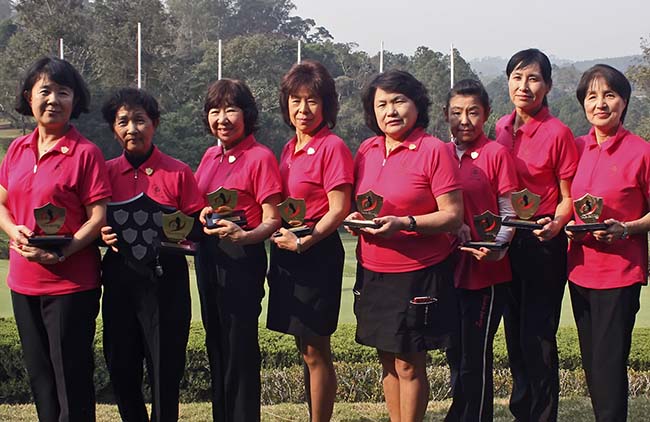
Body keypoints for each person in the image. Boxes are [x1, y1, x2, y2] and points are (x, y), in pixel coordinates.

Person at [346, 69, 463, 422]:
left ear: (417, 105)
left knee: (409, 363)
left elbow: (453, 217)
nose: (390, 111)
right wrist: (356, 220)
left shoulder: (434, 150)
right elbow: (361, 203)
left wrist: (405, 224)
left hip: (419, 273)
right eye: (381, 104)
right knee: (386, 358)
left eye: (399, 101)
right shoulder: (366, 150)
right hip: (374, 271)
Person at [0, 57, 111, 422]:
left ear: (75, 100)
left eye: (63, 92)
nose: (53, 99)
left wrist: (65, 250)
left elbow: (97, 218)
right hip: (23, 282)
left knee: (72, 382)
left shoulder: (86, 153)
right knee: (41, 379)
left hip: (70, 286)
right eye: (45, 90)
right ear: (29, 96)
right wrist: (13, 230)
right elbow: (2, 203)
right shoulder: (16, 149)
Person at [100, 88, 205, 422]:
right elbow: (91, 222)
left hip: (167, 280)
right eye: (124, 121)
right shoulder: (104, 173)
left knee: (165, 368)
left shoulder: (178, 172)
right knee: (121, 366)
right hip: (119, 278)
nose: (133, 128)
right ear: (114, 129)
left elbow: (197, 227)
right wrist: (100, 234)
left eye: (140, 120)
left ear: (154, 124)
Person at [267, 60, 353, 421]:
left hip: (315, 251)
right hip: (287, 249)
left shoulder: (332, 146)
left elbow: (339, 209)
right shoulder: (288, 149)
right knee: (304, 347)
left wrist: (307, 242)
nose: (303, 109)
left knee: (317, 348)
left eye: (312, 101)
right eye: (296, 100)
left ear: (327, 105)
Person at [495, 48, 578, 422]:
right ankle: (521, 410)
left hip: (544, 239)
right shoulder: (499, 128)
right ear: (508, 80)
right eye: (517, 77)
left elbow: (568, 197)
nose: (524, 86)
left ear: (547, 85)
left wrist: (558, 224)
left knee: (539, 334)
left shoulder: (557, 133)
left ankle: (542, 415)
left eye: (533, 78)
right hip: (507, 239)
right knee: (513, 331)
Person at [194, 78, 282, 422]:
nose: (223, 118)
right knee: (215, 342)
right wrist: (202, 211)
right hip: (208, 256)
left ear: (247, 114)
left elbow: (273, 219)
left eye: (231, 109)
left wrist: (244, 235)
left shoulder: (260, 157)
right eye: (215, 110)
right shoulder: (209, 155)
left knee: (240, 346)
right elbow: (202, 204)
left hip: (242, 258)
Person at [565, 64, 650, 422]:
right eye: (592, 96)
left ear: (624, 101)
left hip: (620, 273)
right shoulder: (577, 147)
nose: (600, 104)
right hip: (579, 270)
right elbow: (564, 200)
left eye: (609, 95)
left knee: (608, 365)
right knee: (592, 365)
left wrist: (627, 228)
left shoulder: (641, 151)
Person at [444, 79, 518, 422]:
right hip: (446, 268)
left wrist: (497, 247)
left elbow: (510, 211)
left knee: (476, 355)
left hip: (485, 271)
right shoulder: (440, 154)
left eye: (473, 112)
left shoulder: (496, 154)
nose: (465, 119)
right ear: (446, 115)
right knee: (454, 351)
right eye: (457, 112)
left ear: (486, 114)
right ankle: (461, 413)